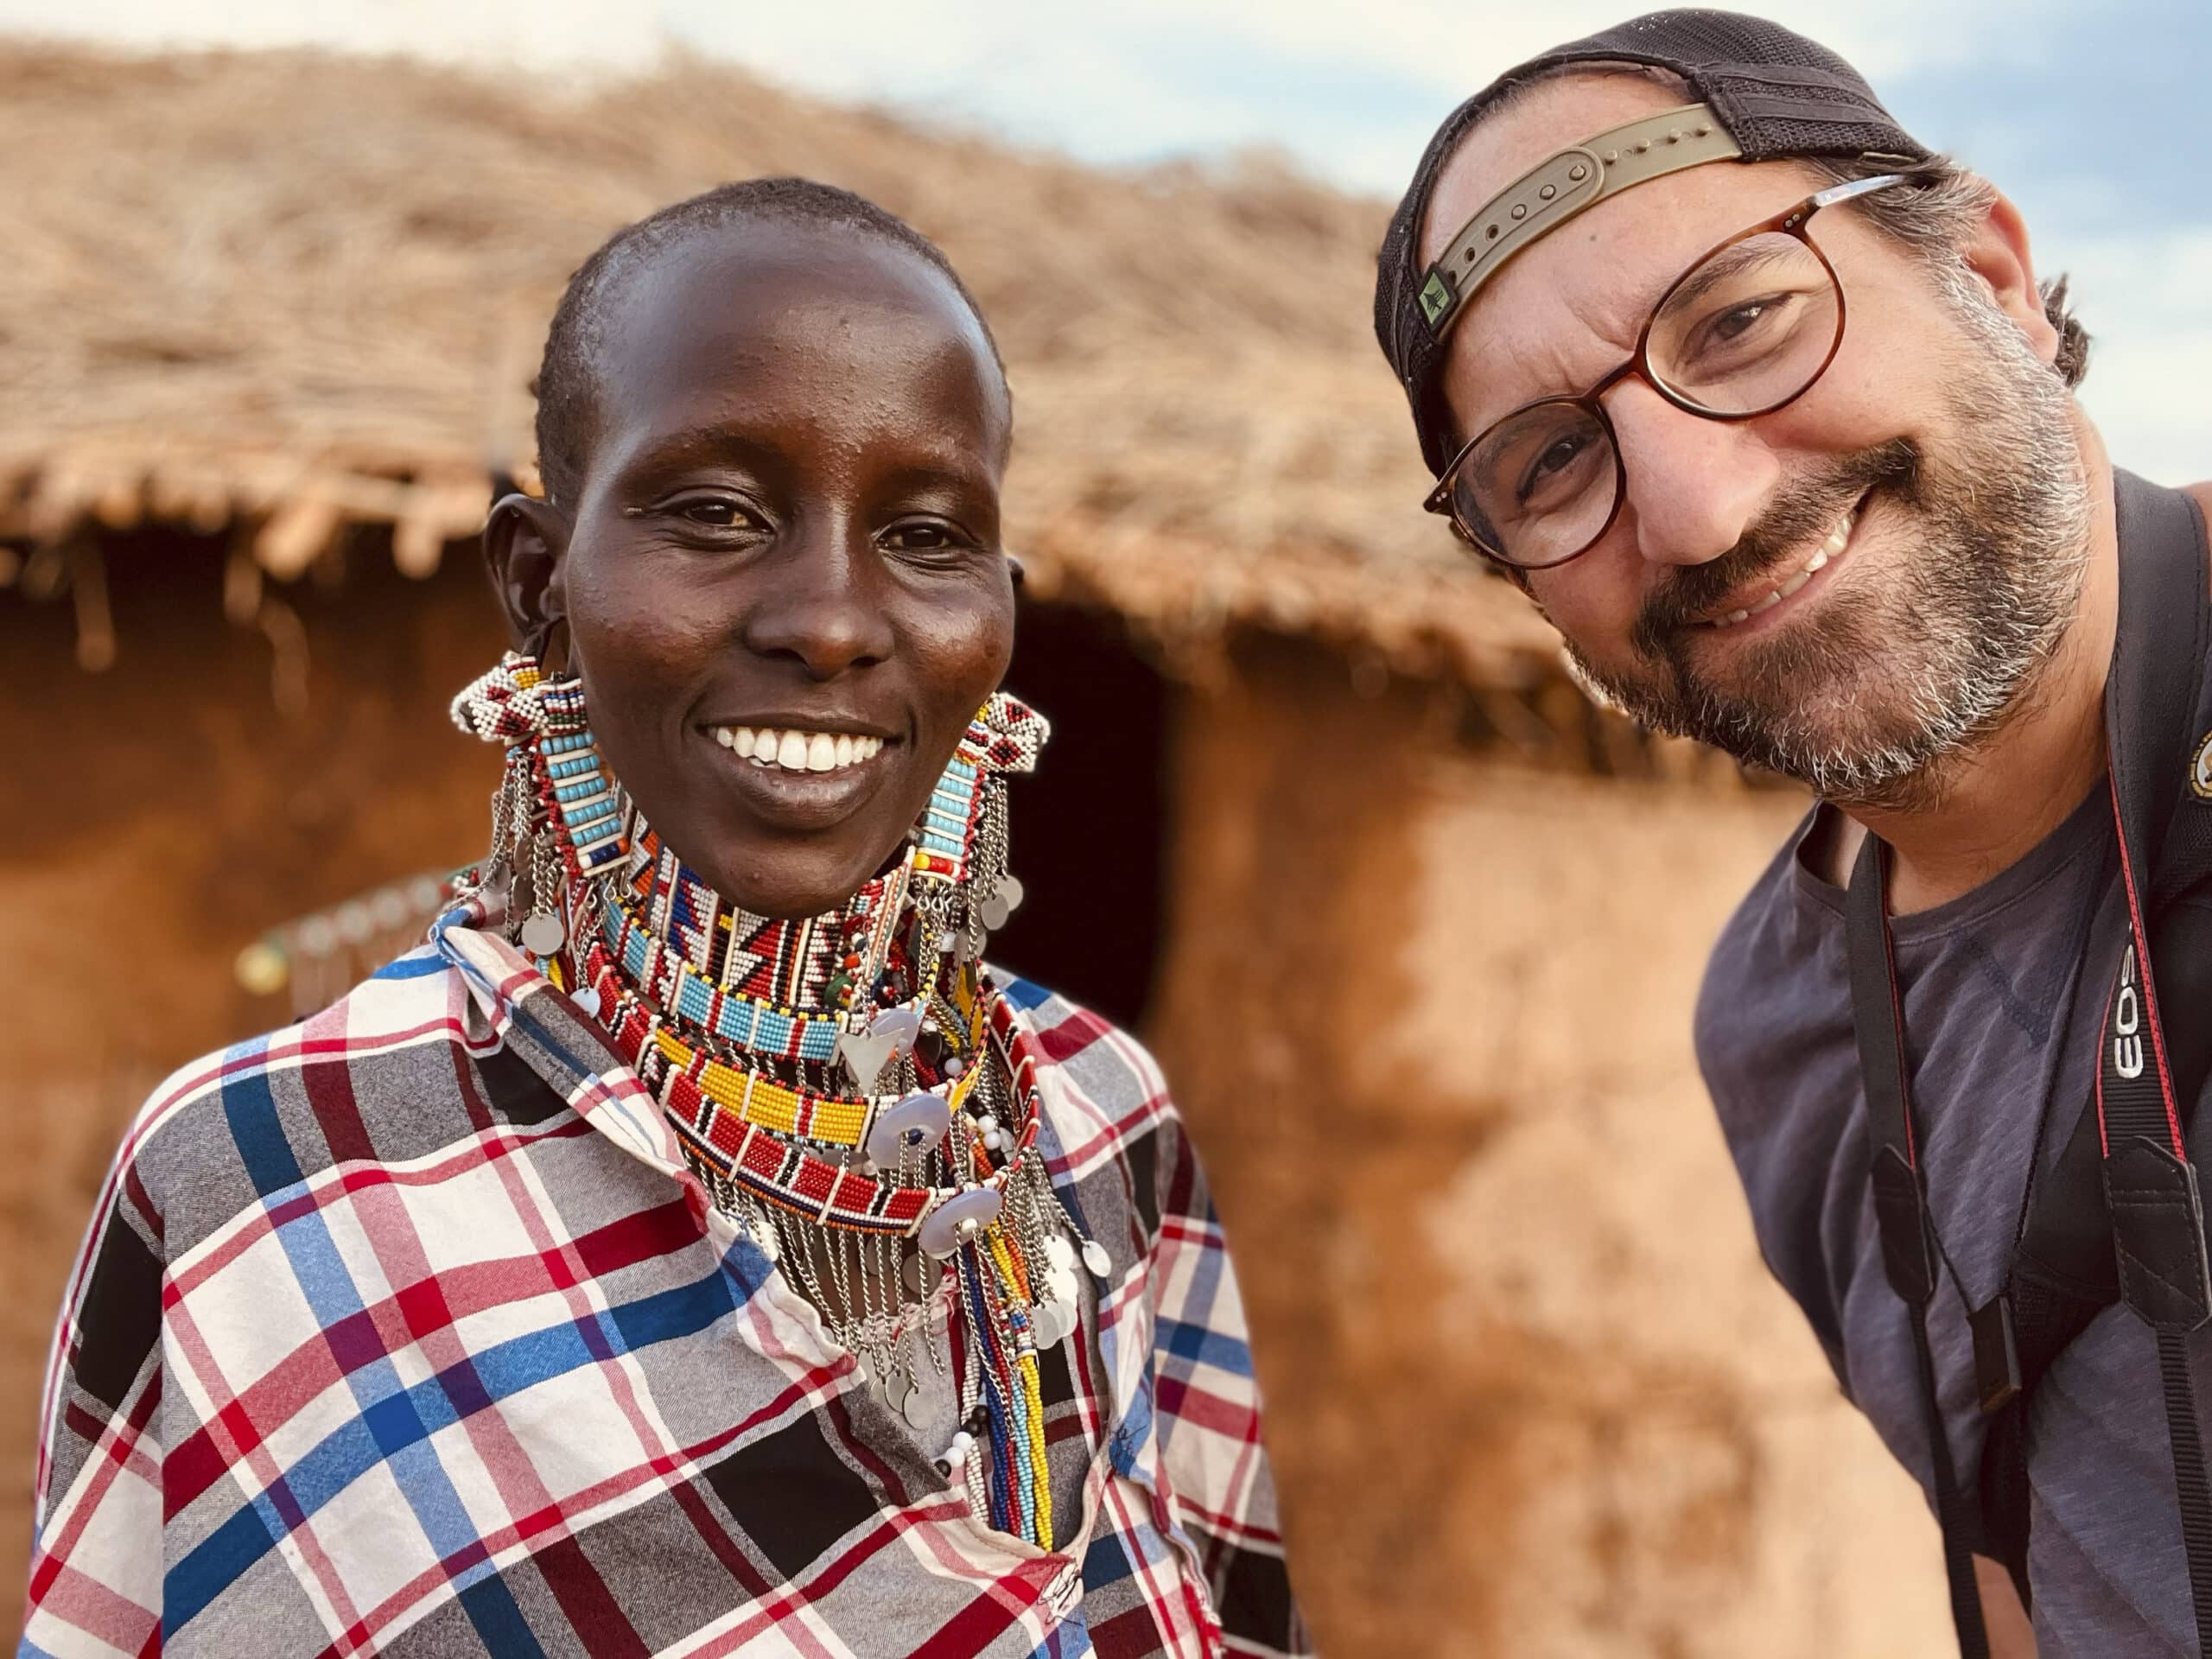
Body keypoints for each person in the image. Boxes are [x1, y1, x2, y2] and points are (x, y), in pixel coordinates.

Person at [24, 178, 1306, 1658]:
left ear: (1000, 612)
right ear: (536, 581)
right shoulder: (270, 1169)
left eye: (928, 536)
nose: (831, 618)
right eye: (716, 513)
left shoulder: (1094, 1117)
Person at [1372, 12, 2212, 1657]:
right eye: (1551, 465)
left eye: (1744, 319)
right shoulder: (1784, 1034)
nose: (1699, 509)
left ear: (1991, 275)